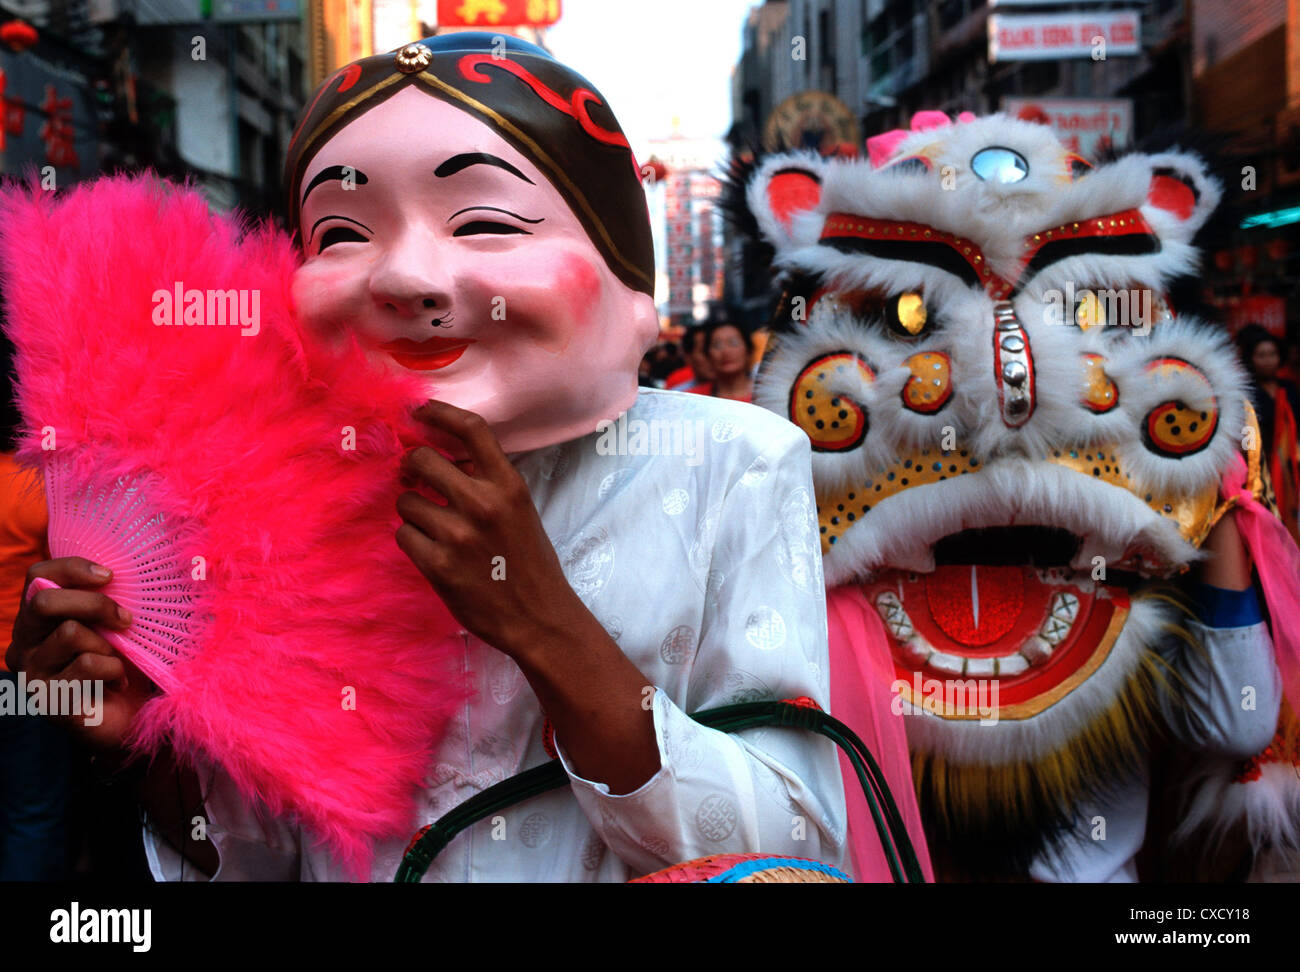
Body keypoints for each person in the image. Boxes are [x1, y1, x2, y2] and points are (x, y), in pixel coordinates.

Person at [5, 34, 847, 882]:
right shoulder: (279, 489)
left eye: (484, 222)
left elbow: (793, 842)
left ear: (618, 257)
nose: (406, 278)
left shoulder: (729, 461)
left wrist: (545, 627)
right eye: (342, 234)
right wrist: (145, 748)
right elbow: (267, 858)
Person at [1237, 323, 1300, 541]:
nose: (1268, 360)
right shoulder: (1247, 393)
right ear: (1251, 359)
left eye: (1272, 354)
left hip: (1291, 464)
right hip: (1261, 464)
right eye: (1261, 355)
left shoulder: (1289, 388)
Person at [690, 323, 755, 403]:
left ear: (748, 350)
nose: (726, 351)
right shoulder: (694, 399)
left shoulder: (768, 396)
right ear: (708, 355)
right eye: (717, 345)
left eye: (734, 343)